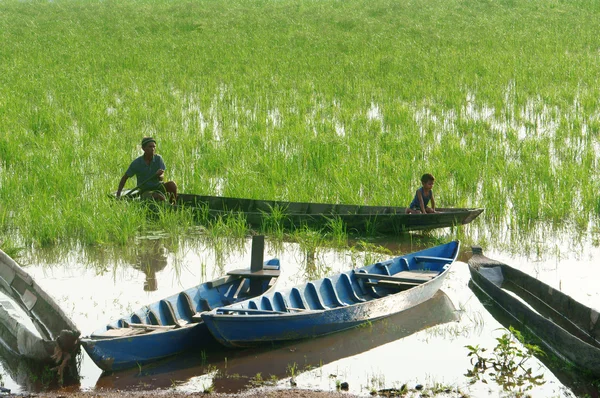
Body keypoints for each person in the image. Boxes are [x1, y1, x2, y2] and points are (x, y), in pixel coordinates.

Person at [116, 137, 177, 203]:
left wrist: (159, 176)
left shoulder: (158, 159)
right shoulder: (137, 163)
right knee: (159, 197)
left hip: (158, 186)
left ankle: (173, 205)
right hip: (145, 190)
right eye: (150, 147)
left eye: (154, 147)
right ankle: (165, 204)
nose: (153, 149)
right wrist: (118, 194)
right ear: (143, 148)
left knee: (172, 185)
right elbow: (125, 178)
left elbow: (161, 177)